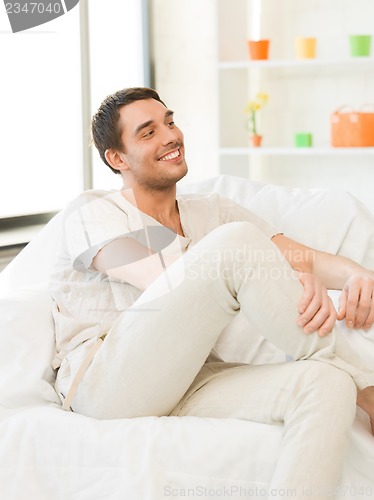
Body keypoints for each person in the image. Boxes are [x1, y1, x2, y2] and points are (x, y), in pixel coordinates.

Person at [50, 87, 374, 498]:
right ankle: (370, 389)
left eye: (170, 122)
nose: (170, 136)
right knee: (235, 241)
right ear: (117, 158)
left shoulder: (212, 210)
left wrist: (358, 274)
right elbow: (163, 277)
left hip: (190, 376)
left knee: (326, 383)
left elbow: (299, 256)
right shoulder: (91, 212)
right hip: (105, 381)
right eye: (148, 133)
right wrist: (283, 275)